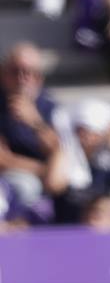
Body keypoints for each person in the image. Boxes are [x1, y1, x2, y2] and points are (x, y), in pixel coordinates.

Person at [49, 99, 110, 224]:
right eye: (81, 130)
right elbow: (53, 184)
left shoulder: (108, 161)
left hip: (103, 228)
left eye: (92, 131)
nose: (86, 136)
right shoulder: (66, 155)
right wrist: (65, 141)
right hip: (69, 227)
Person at [0, 42, 66, 211]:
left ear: (39, 78)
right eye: (15, 72)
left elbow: (60, 149)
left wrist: (35, 122)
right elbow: (3, 160)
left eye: (29, 73)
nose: (22, 79)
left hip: (51, 181)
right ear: (3, 74)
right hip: (11, 182)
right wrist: (45, 171)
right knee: (25, 186)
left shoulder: (51, 108)